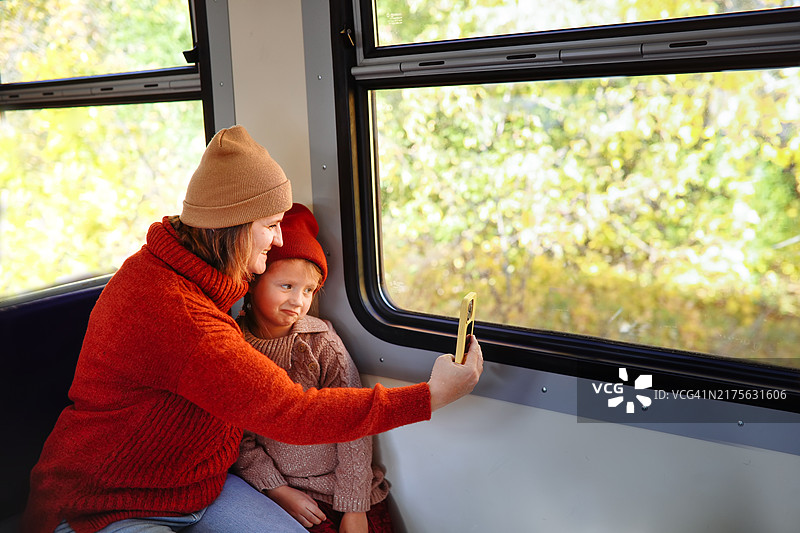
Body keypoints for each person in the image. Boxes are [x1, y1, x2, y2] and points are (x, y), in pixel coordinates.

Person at [22, 125, 483, 533]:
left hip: (199, 489)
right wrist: (431, 395)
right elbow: (292, 412)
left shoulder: (191, 273)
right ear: (232, 229)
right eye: (271, 225)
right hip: (108, 503)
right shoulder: (178, 313)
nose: (280, 240)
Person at [232, 203, 394, 533]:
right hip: (287, 493)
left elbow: (354, 422)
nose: (298, 301)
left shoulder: (320, 342)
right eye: (286, 286)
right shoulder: (233, 345)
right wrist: (277, 489)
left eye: (308, 290)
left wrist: (354, 506)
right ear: (252, 283)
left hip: (349, 492)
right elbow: (238, 435)